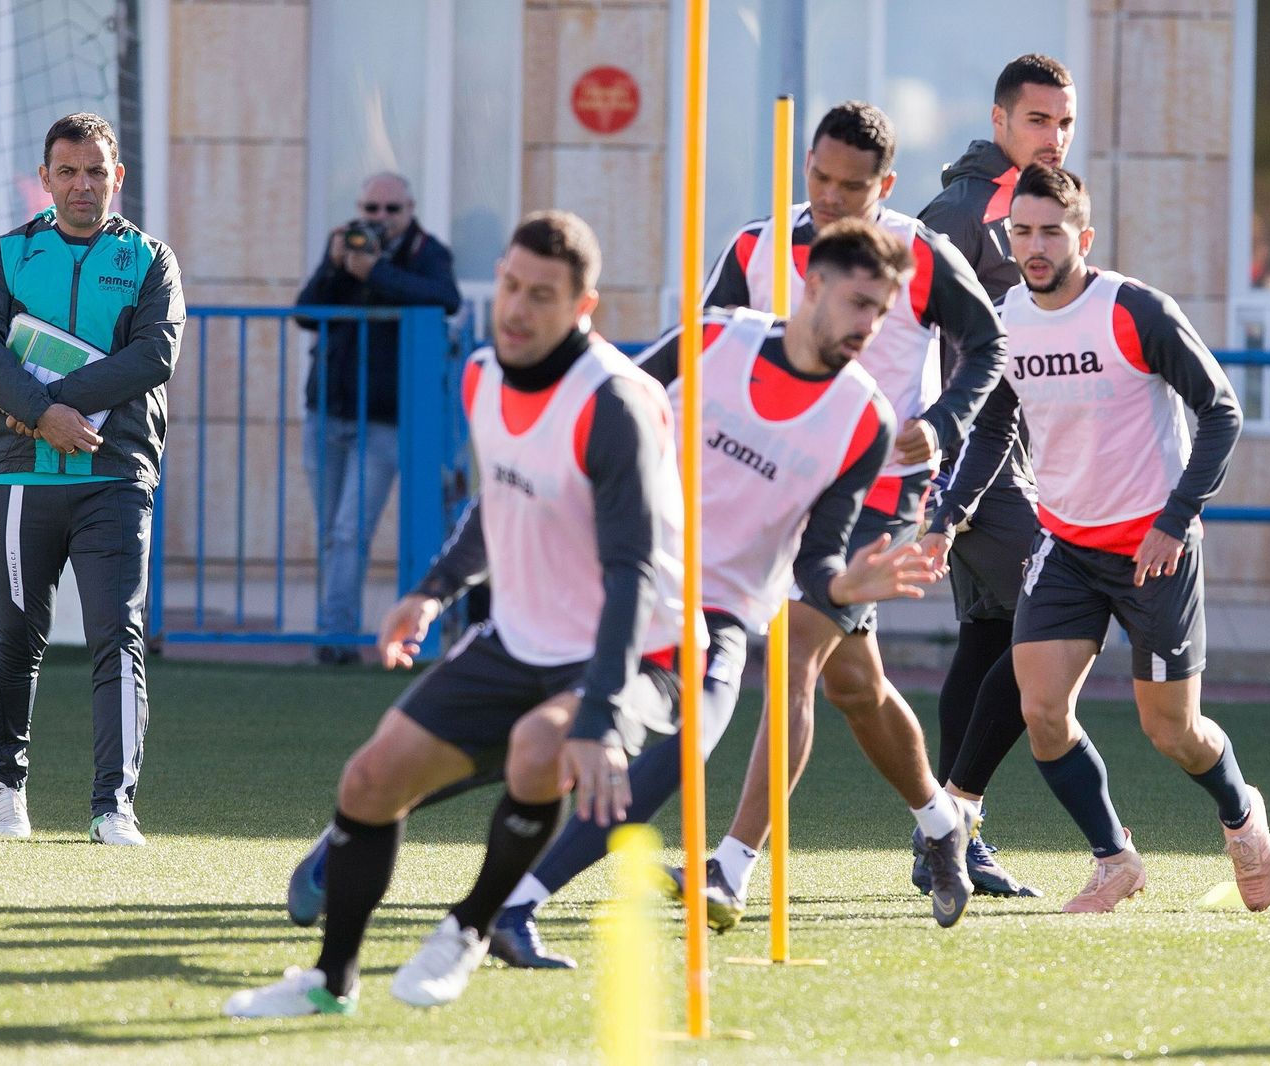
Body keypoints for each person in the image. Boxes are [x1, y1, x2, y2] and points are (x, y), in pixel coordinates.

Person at [281, 222, 947, 963]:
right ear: (812, 285)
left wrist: (839, 584)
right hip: (614, 578)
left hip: (719, 613)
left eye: (882, 314)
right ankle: (357, 829)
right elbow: (599, 399)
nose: (869, 327)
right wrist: (446, 581)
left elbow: (819, 556)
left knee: (675, 736)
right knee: (528, 748)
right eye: (859, 303)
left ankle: (515, 905)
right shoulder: (713, 340)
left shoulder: (866, 419)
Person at [224, 210, 697, 1019]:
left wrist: (598, 714)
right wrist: (432, 590)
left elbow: (631, 574)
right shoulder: (482, 373)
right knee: (368, 782)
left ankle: (470, 929)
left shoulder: (615, 403)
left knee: (540, 744)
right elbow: (498, 500)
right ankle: (329, 983)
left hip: (635, 652)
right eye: (510, 285)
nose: (516, 307)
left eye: (541, 296)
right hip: (515, 639)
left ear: (584, 306)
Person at [686, 101, 1008, 930]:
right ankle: (941, 821)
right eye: (819, 178)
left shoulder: (920, 252)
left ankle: (728, 868)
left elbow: (989, 345)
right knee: (853, 688)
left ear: (886, 185)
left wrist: (939, 425)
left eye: (851, 185)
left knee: (791, 655)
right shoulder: (756, 246)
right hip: (780, 484)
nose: (830, 196)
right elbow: (705, 348)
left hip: (878, 491)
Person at [926, 164, 1270, 914]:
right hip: (1065, 547)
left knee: (1172, 731)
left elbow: (1220, 412)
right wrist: (951, 512)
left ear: (1082, 237)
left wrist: (1174, 519)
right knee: (1041, 709)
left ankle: (1242, 816)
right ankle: (1115, 858)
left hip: (1155, 548)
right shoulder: (1004, 320)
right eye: (1021, 231)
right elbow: (994, 427)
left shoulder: (1136, 311)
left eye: (1051, 231)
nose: (1035, 245)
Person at [0, 112, 185, 846]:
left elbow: (154, 355)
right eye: (69, 171)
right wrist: (40, 416)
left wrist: (60, 406)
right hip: (24, 477)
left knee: (119, 635)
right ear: (45, 177)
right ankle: (6, 787)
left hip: (116, 477)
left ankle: (113, 805)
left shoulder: (152, 260)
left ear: (117, 178)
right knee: (17, 631)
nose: (83, 185)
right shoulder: (8, 254)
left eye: (96, 172)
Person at [910, 53, 1078, 897]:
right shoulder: (964, 207)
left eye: (1065, 121)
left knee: (989, 640)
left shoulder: (1030, 201)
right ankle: (952, 826)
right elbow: (914, 330)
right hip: (969, 460)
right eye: (1040, 120)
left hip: (1005, 458)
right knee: (1049, 630)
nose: (1054, 136)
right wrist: (935, 446)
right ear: (1002, 120)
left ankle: (946, 834)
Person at [295, 172, 461, 663]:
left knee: (350, 532)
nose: (380, 220)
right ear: (359, 209)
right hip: (326, 412)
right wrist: (337, 264)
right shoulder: (347, 244)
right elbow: (306, 310)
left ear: (409, 210)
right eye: (372, 209)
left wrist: (375, 273)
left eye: (392, 210)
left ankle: (336, 638)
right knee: (333, 532)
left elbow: (445, 298)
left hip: (384, 420)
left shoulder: (428, 252)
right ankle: (338, 630)